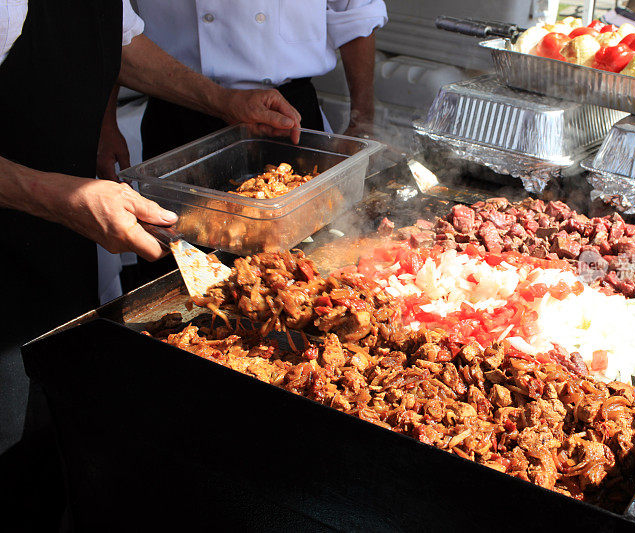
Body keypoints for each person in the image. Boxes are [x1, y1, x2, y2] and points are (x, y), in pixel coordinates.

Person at [0, 1, 301, 529]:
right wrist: (57, 195)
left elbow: (120, 45)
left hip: (55, 241)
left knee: (50, 440)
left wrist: (225, 101)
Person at [96, 0, 388, 178]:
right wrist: (105, 123)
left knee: (305, 259)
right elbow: (113, 27)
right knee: (179, 261)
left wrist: (362, 122)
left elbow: (354, 13)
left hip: (289, 118)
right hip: (178, 115)